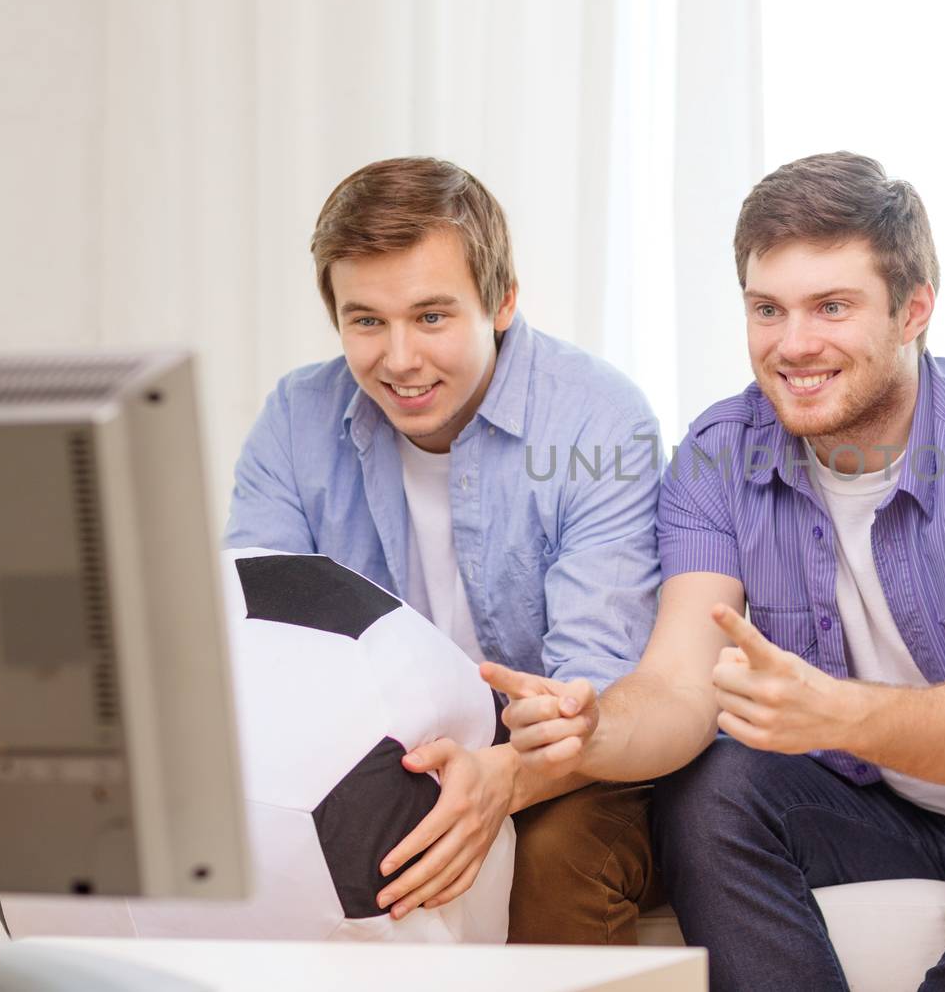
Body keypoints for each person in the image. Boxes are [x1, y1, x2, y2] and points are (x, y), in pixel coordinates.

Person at [486, 151, 945, 990]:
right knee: (711, 784)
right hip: (859, 805)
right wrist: (597, 729)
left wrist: (835, 713)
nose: (793, 344)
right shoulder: (718, 456)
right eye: (766, 309)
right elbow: (679, 686)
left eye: (831, 307)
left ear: (914, 309)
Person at [226, 156, 664, 943]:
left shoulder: (599, 417)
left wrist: (506, 777)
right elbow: (255, 651)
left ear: (501, 302)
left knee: (558, 856)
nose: (398, 359)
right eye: (367, 321)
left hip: (563, 756)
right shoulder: (297, 417)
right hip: (366, 753)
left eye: (432, 317)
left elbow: (590, 689)